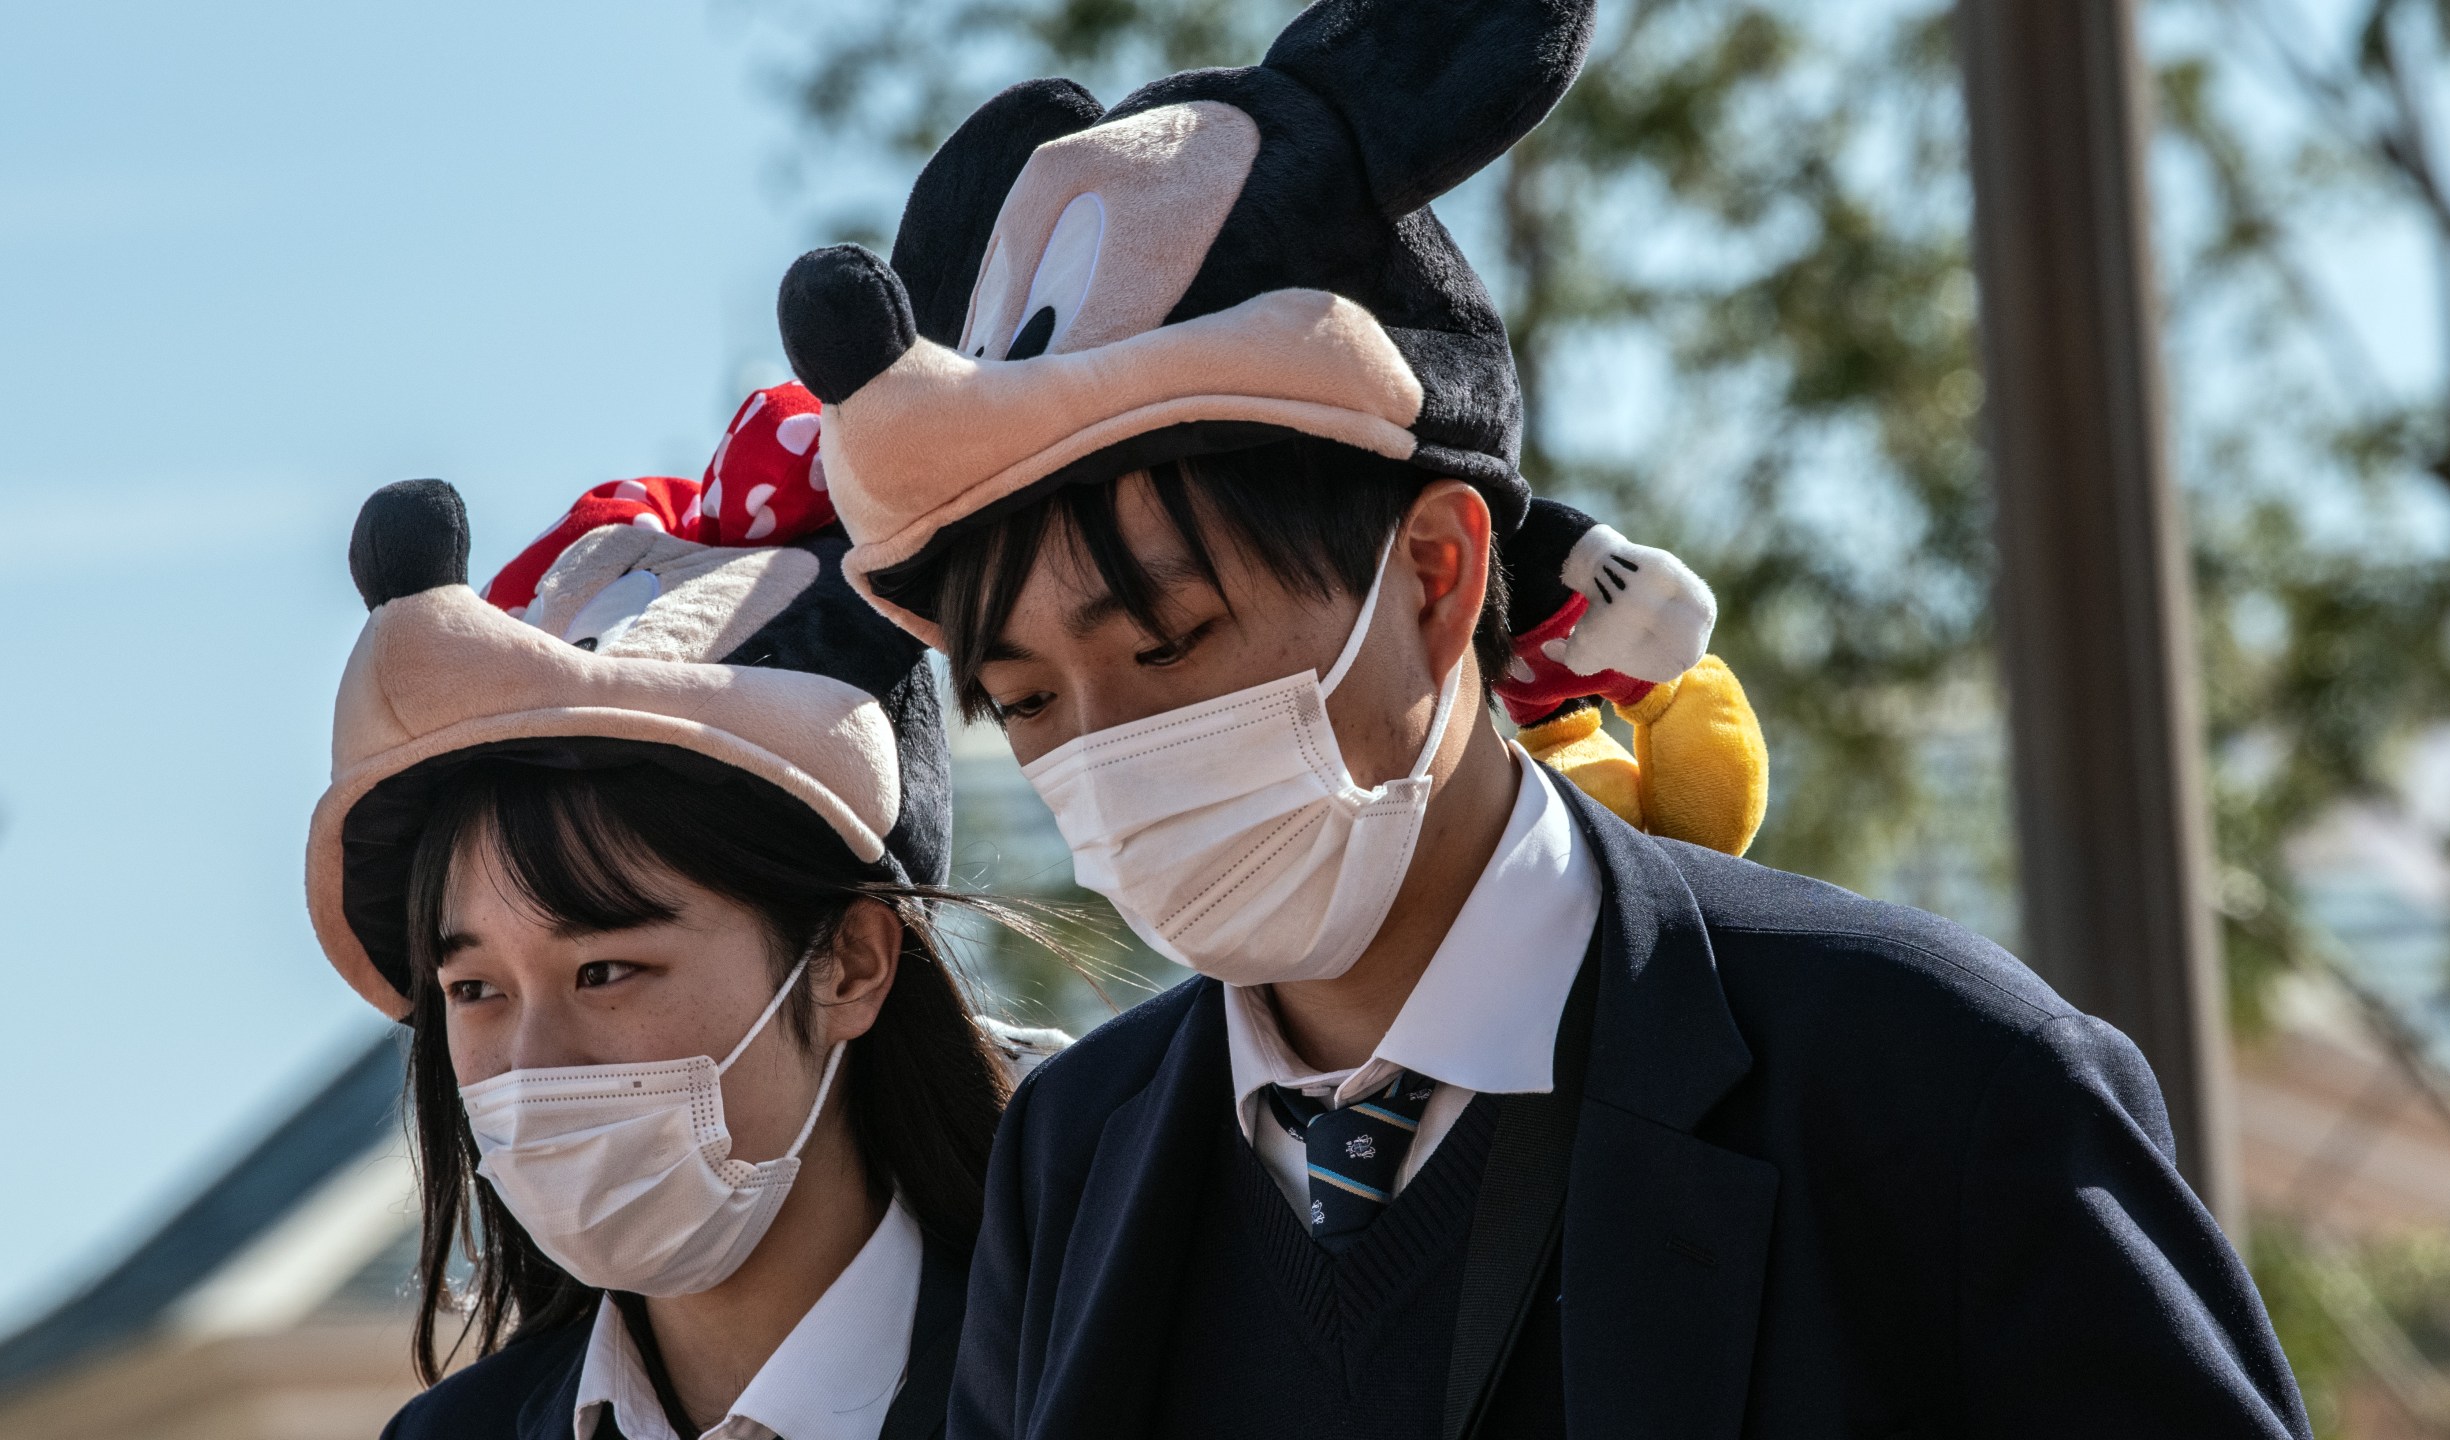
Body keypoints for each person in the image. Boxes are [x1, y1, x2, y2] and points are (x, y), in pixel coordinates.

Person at [772, 1, 2313, 1435]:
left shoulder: (1940, 1085)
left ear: (1439, 574)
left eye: (1167, 641)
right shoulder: (1074, 1156)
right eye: (1028, 701)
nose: (1101, 750)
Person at [304, 387, 1058, 1440]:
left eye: (605, 969)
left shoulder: (1101, 1369)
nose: (534, 1061)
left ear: (849, 964)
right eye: (472, 989)